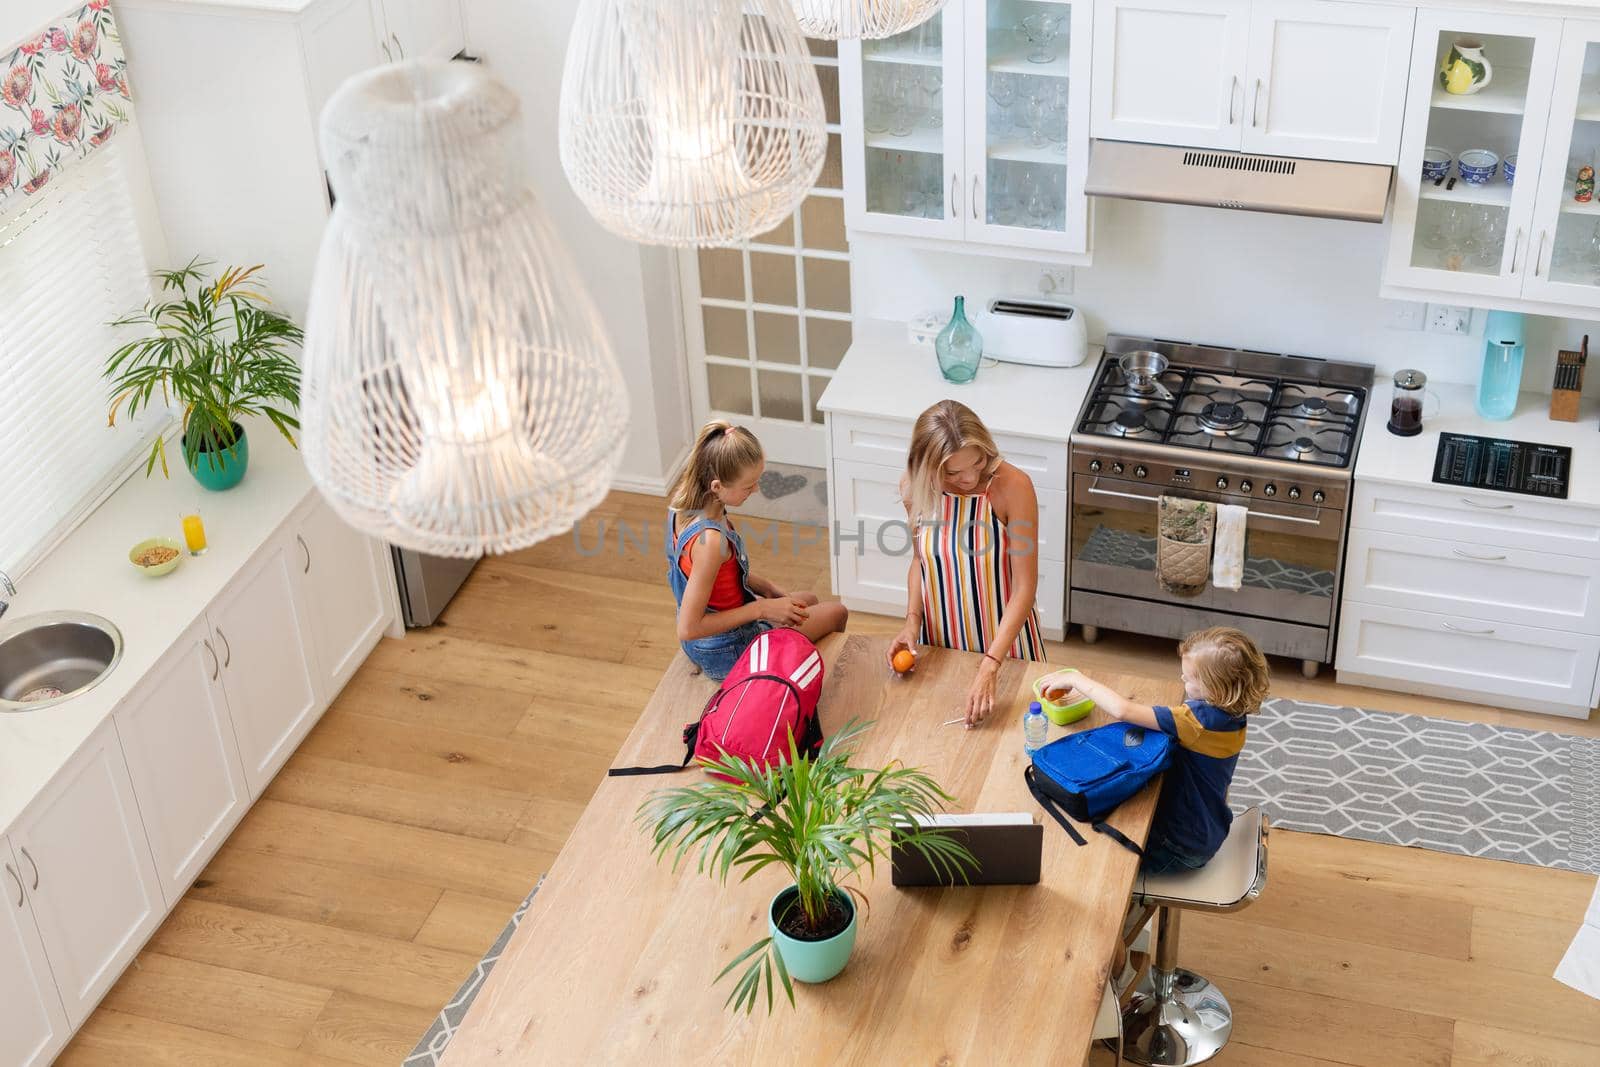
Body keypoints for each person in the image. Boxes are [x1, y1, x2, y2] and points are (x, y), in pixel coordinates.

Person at [1038, 627, 1270, 873]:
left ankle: (1126, 906)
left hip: (1178, 847)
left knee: (1093, 858)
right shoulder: (1233, 715)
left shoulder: (1197, 722)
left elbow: (1122, 710)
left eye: (1190, 678)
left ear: (1216, 688)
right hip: (1205, 830)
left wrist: (1076, 679)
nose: (1183, 680)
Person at [889, 400, 1044, 727]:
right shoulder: (914, 487)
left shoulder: (1013, 487)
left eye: (978, 461)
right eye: (954, 472)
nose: (971, 477)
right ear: (929, 467)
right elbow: (921, 562)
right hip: (941, 647)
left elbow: (1025, 588)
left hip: (1006, 649)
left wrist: (990, 664)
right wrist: (911, 622)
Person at [667, 421, 847, 681]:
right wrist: (762, 610)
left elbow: (708, 577)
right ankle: (805, 682)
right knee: (837, 612)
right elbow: (688, 627)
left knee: (809, 599)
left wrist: (765, 586)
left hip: (711, 641)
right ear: (717, 486)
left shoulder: (681, 508)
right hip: (727, 651)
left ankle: (795, 659)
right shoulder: (711, 543)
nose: (756, 489)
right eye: (748, 486)